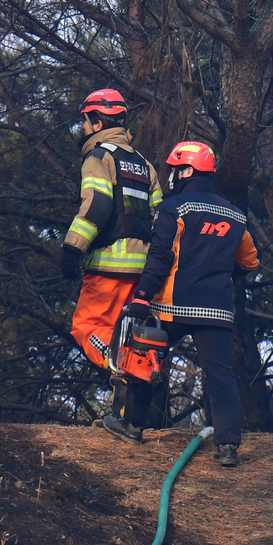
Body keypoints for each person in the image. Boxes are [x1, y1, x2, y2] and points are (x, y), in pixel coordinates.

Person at [100, 140, 259, 467]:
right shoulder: (236, 215)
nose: (172, 176)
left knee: (144, 359)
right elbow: (250, 264)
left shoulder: (174, 208)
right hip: (216, 310)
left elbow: (160, 258)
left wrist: (142, 296)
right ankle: (228, 446)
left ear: (187, 171)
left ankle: (132, 425)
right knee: (221, 376)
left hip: (171, 307)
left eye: (175, 169)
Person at [61, 89, 163, 414]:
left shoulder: (98, 158)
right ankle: (126, 416)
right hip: (142, 270)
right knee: (129, 336)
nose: (84, 128)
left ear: (97, 120)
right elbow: (162, 220)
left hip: (107, 265)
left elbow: (98, 206)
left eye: (86, 121)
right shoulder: (145, 165)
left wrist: (71, 249)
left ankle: (121, 364)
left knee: (87, 327)